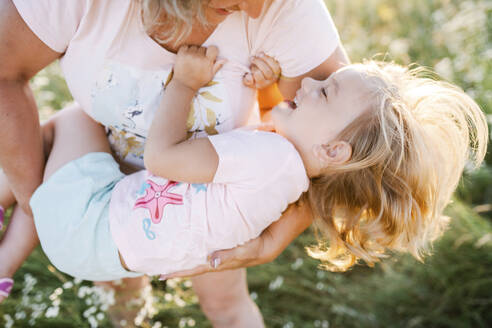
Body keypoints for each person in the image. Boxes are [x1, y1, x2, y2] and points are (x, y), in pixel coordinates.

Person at [1, 45, 488, 295]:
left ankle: (6, 254)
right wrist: (266, 89)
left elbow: (161, 158)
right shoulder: (286, 181)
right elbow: (245, 148)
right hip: (100, 256)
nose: (312, 85)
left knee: (78, 118)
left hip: (89, 218)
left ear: (335, 151)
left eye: (326, 92)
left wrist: (185, 85)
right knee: (54, 162)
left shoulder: (268, 158)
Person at [0, 0, 348, 326]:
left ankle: (11, 223)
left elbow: (348, 139)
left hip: (151, 209)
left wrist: (273, 240)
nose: (256, 11)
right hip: (177, 205)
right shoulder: (271, 163)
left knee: (69, 124)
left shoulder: (284, 14)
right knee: (220, 305)